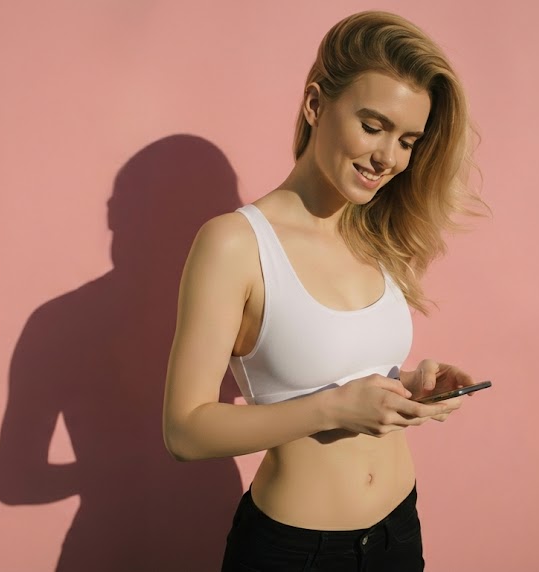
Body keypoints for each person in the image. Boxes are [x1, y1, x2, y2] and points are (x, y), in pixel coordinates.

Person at [162, 10, 489, 571]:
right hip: (295, 553)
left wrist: (407, 387)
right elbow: (185, 430)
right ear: (316, 104)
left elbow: (348, 370)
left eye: (408, 140)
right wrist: (336, 407)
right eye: (373, 125)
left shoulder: (374, 232)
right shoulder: (235, 245)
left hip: (397, 532)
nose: (390, 157)